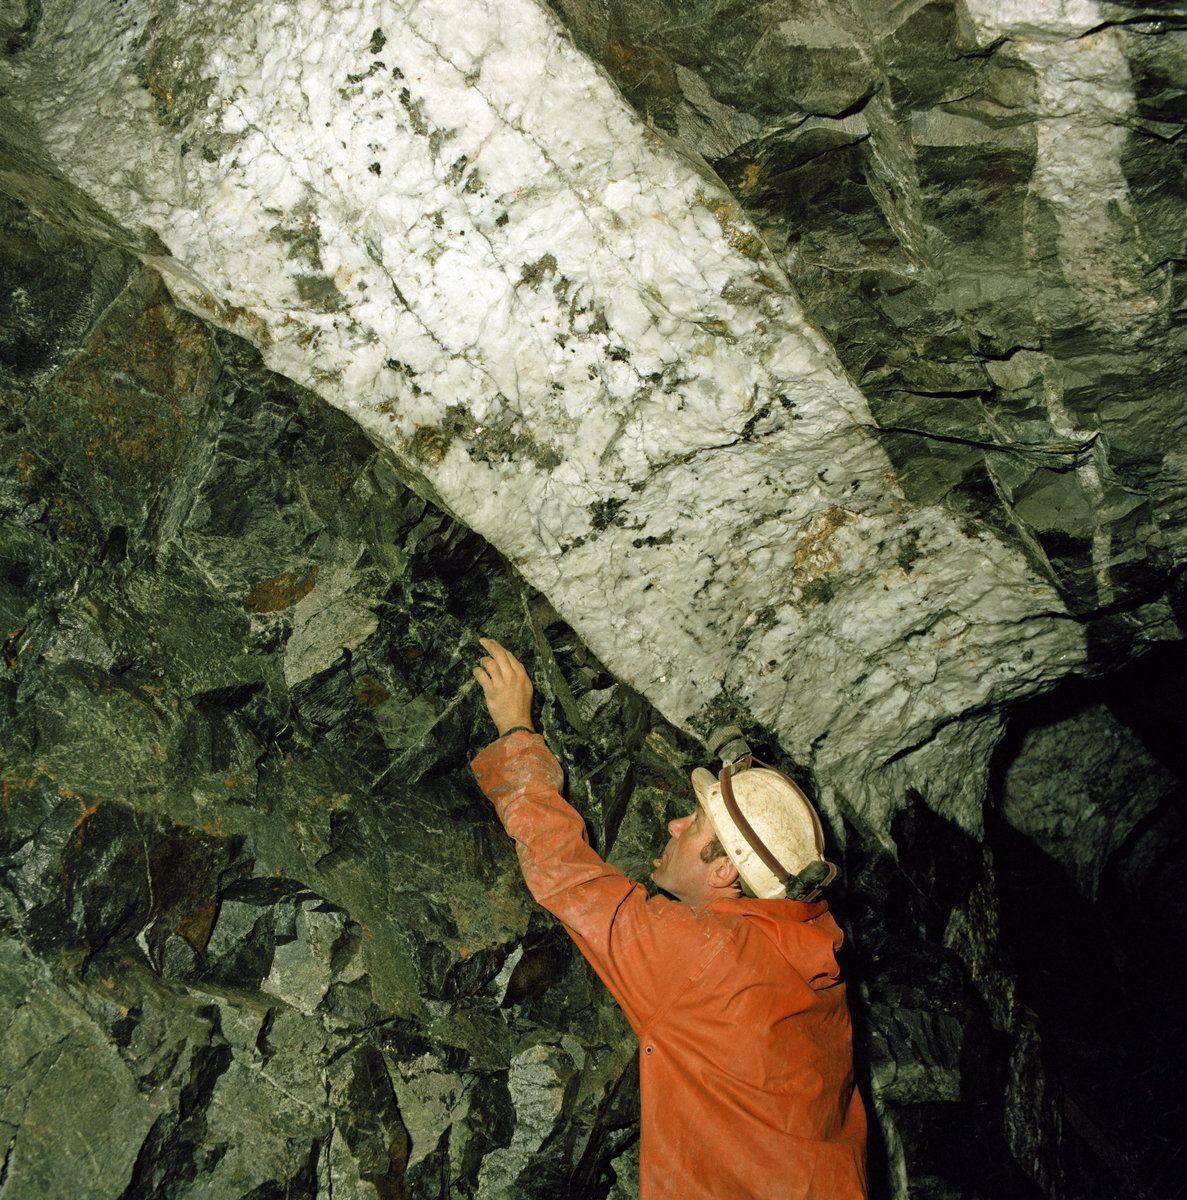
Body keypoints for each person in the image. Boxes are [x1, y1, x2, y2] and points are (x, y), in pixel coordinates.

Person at [471, 637, 868, 1200]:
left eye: (695, 825)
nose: (676, 825)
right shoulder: (813, 965)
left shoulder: (708, 958)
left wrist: (516, 729)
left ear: (726, 873)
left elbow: (567, 876)